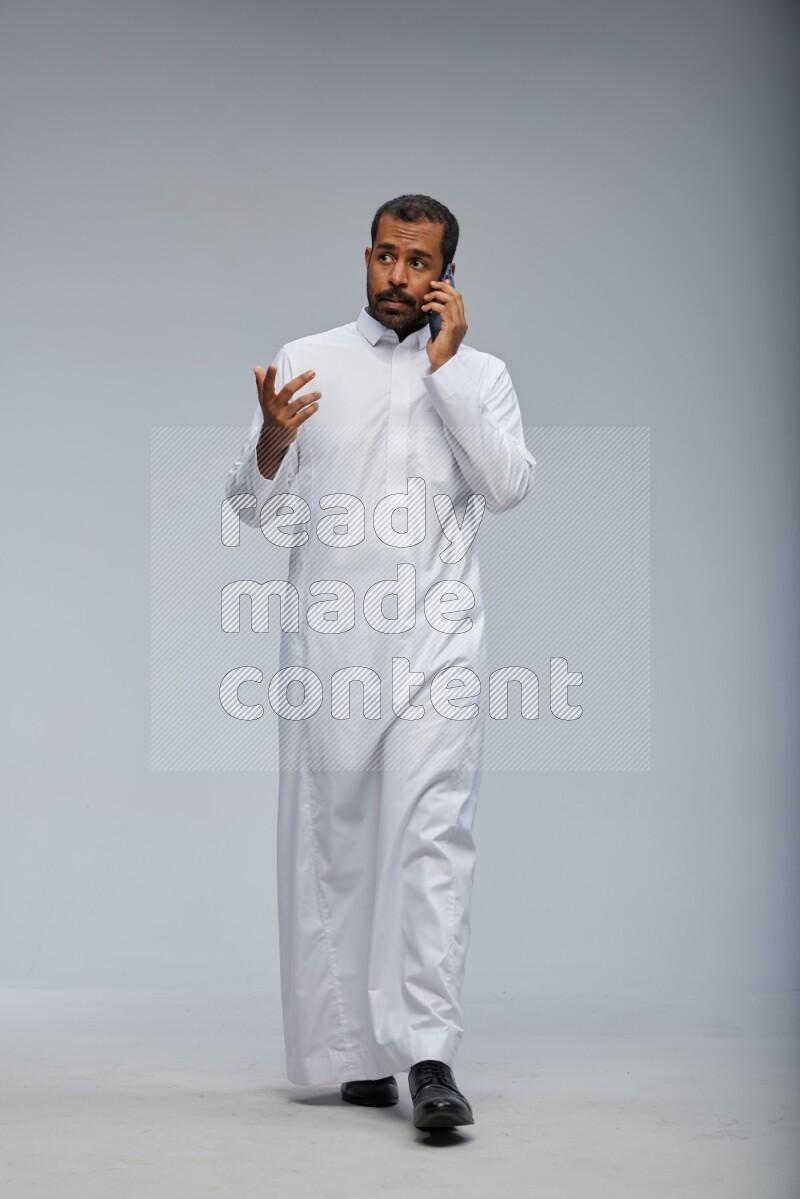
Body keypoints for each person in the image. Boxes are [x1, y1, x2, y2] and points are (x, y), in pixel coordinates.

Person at [224, 194, 536, 1131]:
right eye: (387, 258)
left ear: (447, 274)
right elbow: (250, 505)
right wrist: (274, 439)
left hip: (440, 643)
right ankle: (352, 1054)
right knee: (337, 837)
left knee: (433, 836)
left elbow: (508, 484)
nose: (399, 277)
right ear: (366, 257)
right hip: (332, 645)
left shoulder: (481, 374)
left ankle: (429, 1054)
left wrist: (447, 377)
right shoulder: (305, 360)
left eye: (420, 262)